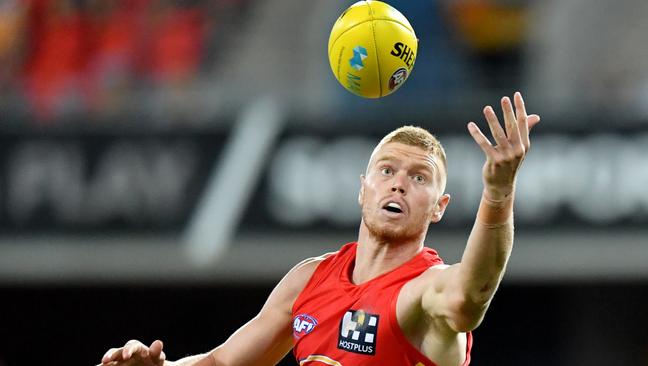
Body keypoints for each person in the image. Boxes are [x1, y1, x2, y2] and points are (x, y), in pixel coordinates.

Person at [100, 92, 541, 366]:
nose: (399, 182)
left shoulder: (424, 293)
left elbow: (472, 296)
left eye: (419, 177)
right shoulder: (309, 280)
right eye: (386, 170)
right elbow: (222, 362)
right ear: (363, 189)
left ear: (439, 208)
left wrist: (498, 191)